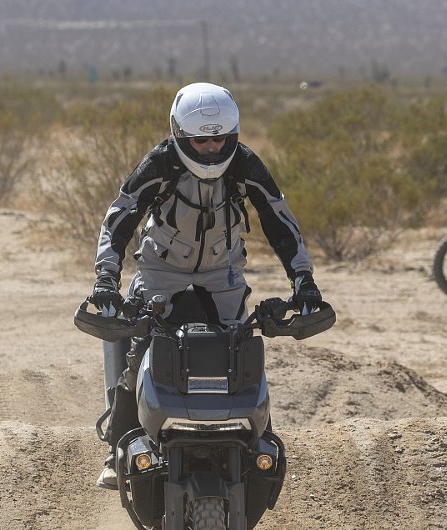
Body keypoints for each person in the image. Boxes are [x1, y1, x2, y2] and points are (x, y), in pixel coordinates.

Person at [89, 82, 322, 489]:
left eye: (221, 139)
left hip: (223, 274)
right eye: (202, 141)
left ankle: (258, 449)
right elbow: (119, 218)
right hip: (162, 271)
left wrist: (304, 280)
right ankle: (119, 448)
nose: (213, 148)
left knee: (244, 353)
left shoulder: (245, 164)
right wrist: (106, 277)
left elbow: (280, 221)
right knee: (140, 357)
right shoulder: (160, 163)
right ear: (180, 134)